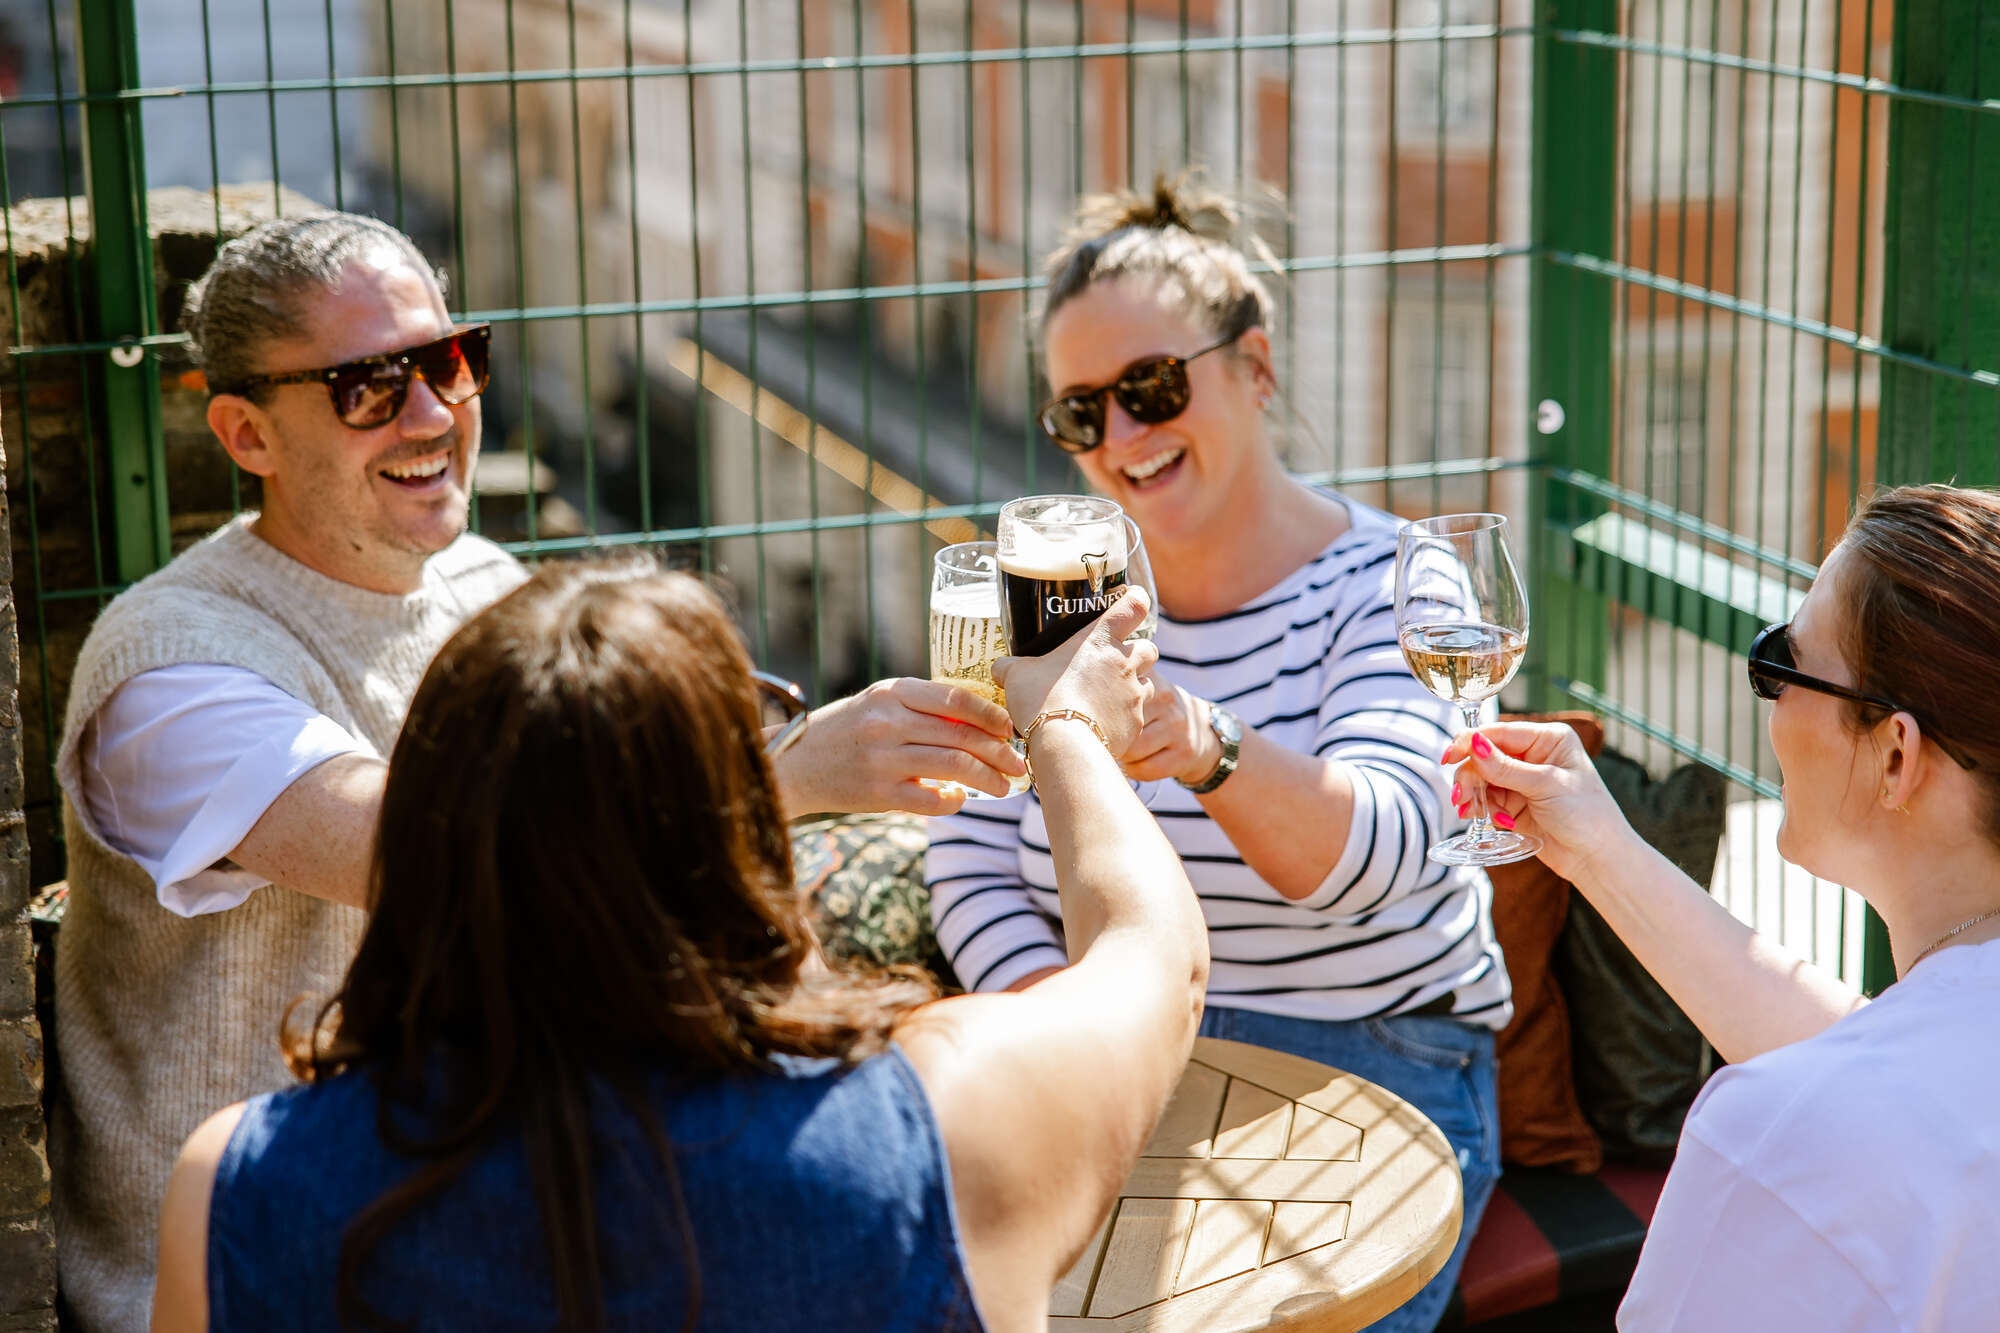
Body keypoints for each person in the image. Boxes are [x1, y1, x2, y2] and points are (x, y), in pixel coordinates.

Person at [53, 211, 1023, 1331]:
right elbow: (440, 853)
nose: (432, 414)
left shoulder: (481, 581)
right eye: (368, 388)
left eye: (448, 361)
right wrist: (790, 773)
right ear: (245, 433)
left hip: (477, 1211)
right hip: (247, 1269)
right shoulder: (167, 669)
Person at [148, 560, 1205, 1333]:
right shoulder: (948, 1119)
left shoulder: (235, 1185)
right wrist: (1066, 727)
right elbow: (1154, 953)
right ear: (734, 826)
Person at [927, 176, 1509, 1333]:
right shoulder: (1045, 595)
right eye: (1080, 413)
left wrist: (1198, 742)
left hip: (1368, 1065)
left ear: (1254, 367)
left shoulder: (1392, 581)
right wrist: (1082, 1034)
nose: (1121, 439)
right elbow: (968, 854)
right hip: (1109, 1064)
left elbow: (1375, 851)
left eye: (1150, 386)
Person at [1447, 483, 2000, 1330]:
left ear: (1896, 756)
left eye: (1782, 662)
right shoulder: (1937, 1059)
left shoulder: (1775, 1147)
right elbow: (1887, 1061)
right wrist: (1598, 849)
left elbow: (1852, 1098)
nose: (1767, 697)